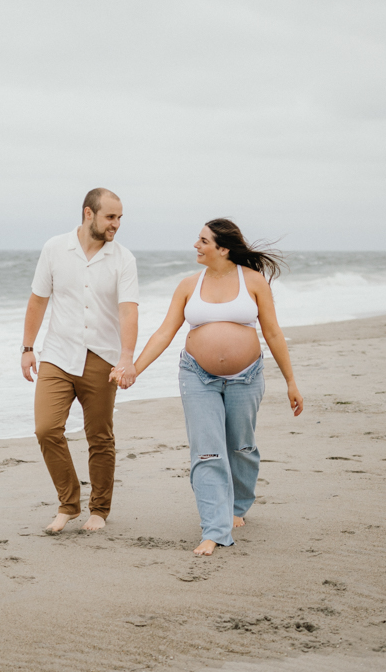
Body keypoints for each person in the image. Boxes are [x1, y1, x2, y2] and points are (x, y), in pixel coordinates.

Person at [124, 218, 302, 555]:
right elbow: (164, 332)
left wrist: (292, 381)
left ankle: (238, 504)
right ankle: (215, 529)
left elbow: (274, 333)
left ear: (223, 248)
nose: (196, 245)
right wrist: (135, 368)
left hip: (246, 376)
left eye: (203, 240)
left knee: (241, 447)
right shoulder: (189, 285)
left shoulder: (253, 282)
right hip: (197, 376)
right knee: (207, 451)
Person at [21, 188, 139, 534]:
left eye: (119, 218)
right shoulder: (55, 248)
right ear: (89, 214)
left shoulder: (123, 259)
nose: (116, 224)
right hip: (57, 355)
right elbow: (38, 301)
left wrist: (127, 358)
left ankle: (99, 509)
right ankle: (68, 503)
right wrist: (27, 348)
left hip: (103, 358)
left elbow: (128, 311)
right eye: (110, 217)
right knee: (46, 429)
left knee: (99, 437)